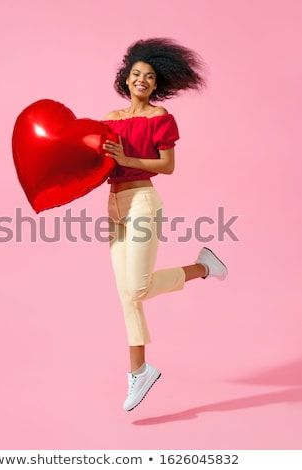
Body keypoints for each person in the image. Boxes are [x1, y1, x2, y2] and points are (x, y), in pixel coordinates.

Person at [102, 38, 228, 412]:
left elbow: (166, 165)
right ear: (126, 79)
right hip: (114, 203)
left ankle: (204, 267)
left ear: (157, 85)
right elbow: (102, 164)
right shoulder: (109, 119)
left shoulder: (160, 118)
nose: (142, 79)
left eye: (150, 76)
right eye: (137, 74)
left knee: (137, 287)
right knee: (127, 296)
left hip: (142, 200)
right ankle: (138, 372)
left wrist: (127, 156)